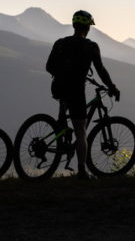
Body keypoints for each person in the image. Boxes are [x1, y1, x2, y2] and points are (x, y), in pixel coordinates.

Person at [46, 10, 120, 179]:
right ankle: (81, 170)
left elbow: (49, 66)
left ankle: (62, 136)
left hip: (58, 87)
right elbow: (100, 70)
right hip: (76, 91)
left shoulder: (60, 43)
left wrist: (63, 73)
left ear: (73, 25)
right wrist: (112, 87)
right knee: (81, 131)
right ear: (87, 27)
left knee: (64, 114)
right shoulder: (90, 46)